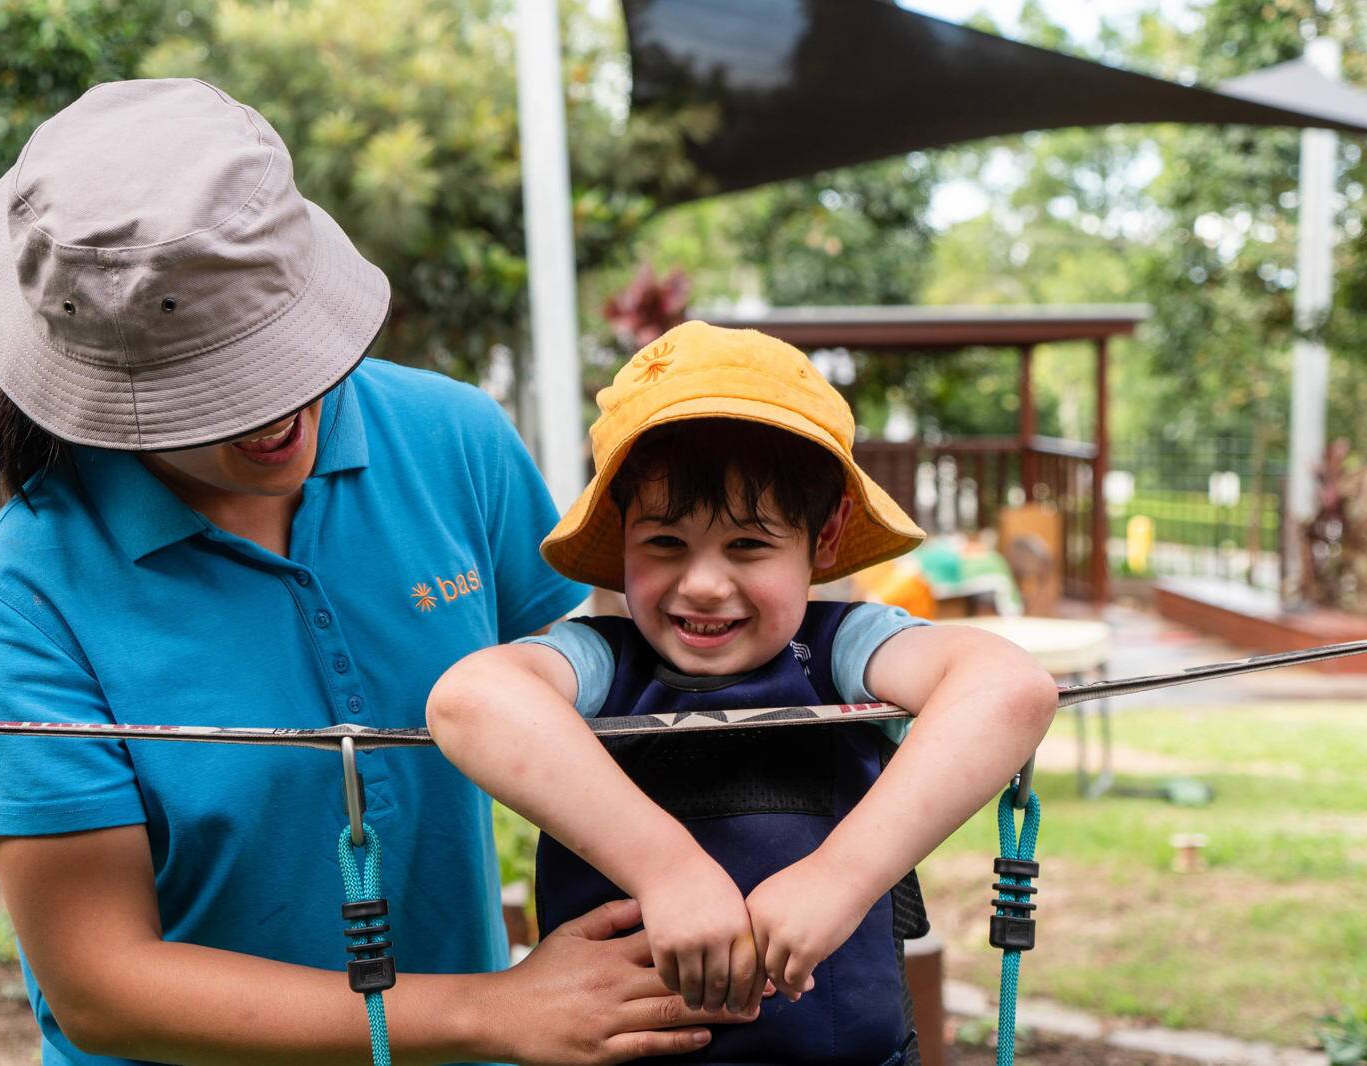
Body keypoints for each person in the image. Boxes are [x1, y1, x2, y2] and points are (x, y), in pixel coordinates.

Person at [0, 79, 757, 1065]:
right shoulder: (21, 595)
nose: (275, 416)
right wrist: (486, 1011)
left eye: (277, 357)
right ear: (114, 386)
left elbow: (614, 702)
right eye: (215, 393)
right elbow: (102, 983)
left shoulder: (450, 439)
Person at [427, 321, 1059, 1065]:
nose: (702, 583)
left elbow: (1009, 687)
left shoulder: (845, 648)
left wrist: (840, 877)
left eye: (749, 545)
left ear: (824, 540)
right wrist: (669, 869)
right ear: (622, 535)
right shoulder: (598, 662)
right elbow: (467, 700)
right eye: (664, 543)